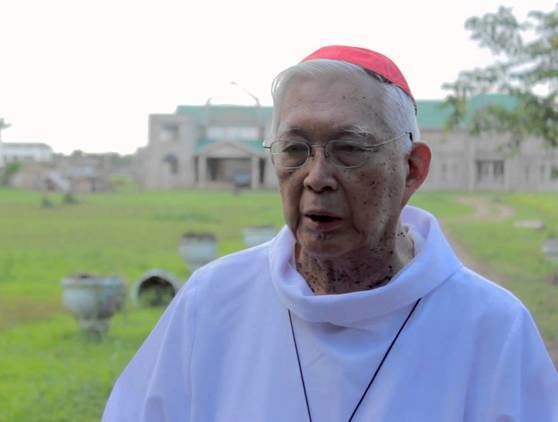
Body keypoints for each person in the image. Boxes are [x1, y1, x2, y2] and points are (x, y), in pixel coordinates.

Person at [103, 46, 558, 421]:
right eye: (295, 149)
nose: (316, 176)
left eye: (350, 149)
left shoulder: (493, 328)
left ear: (412, 169)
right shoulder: (211, 301)